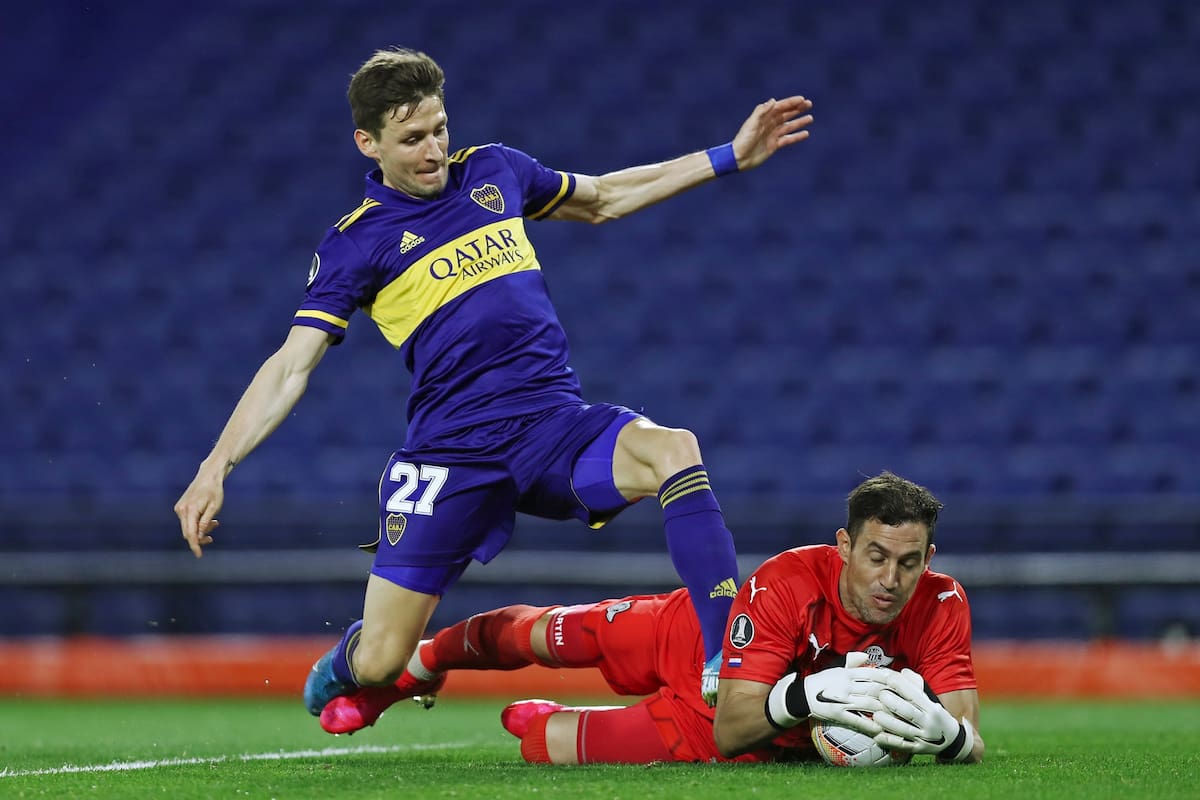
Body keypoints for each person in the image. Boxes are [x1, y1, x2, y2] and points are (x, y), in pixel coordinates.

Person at [173, 47, 816, 717]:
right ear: (368, 143)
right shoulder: (356, 244)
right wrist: (216, 465)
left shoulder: (494, 171)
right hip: (452, 456)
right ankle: (349, 663)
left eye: (439, 130)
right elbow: (290, 364)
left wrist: (728, 157)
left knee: (675, 449)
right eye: (412, 138)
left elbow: (602, 198)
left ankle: (726, 665)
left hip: (551, 428)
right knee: (382, 660)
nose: (433, 151)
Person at [321, 472, 985, 765]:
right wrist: (810, 693)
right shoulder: (786, 582)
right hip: (688, 634)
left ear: (930, 557)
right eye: (876, 556)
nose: (891, 581)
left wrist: (950, 740)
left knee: (539, 746)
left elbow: (729, 731)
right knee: (536, 634)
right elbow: (743, 709)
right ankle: (420, 666)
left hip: (724, 722)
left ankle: (544, 716)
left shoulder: (943, 601)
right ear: (844, 547)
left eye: (909, 562)